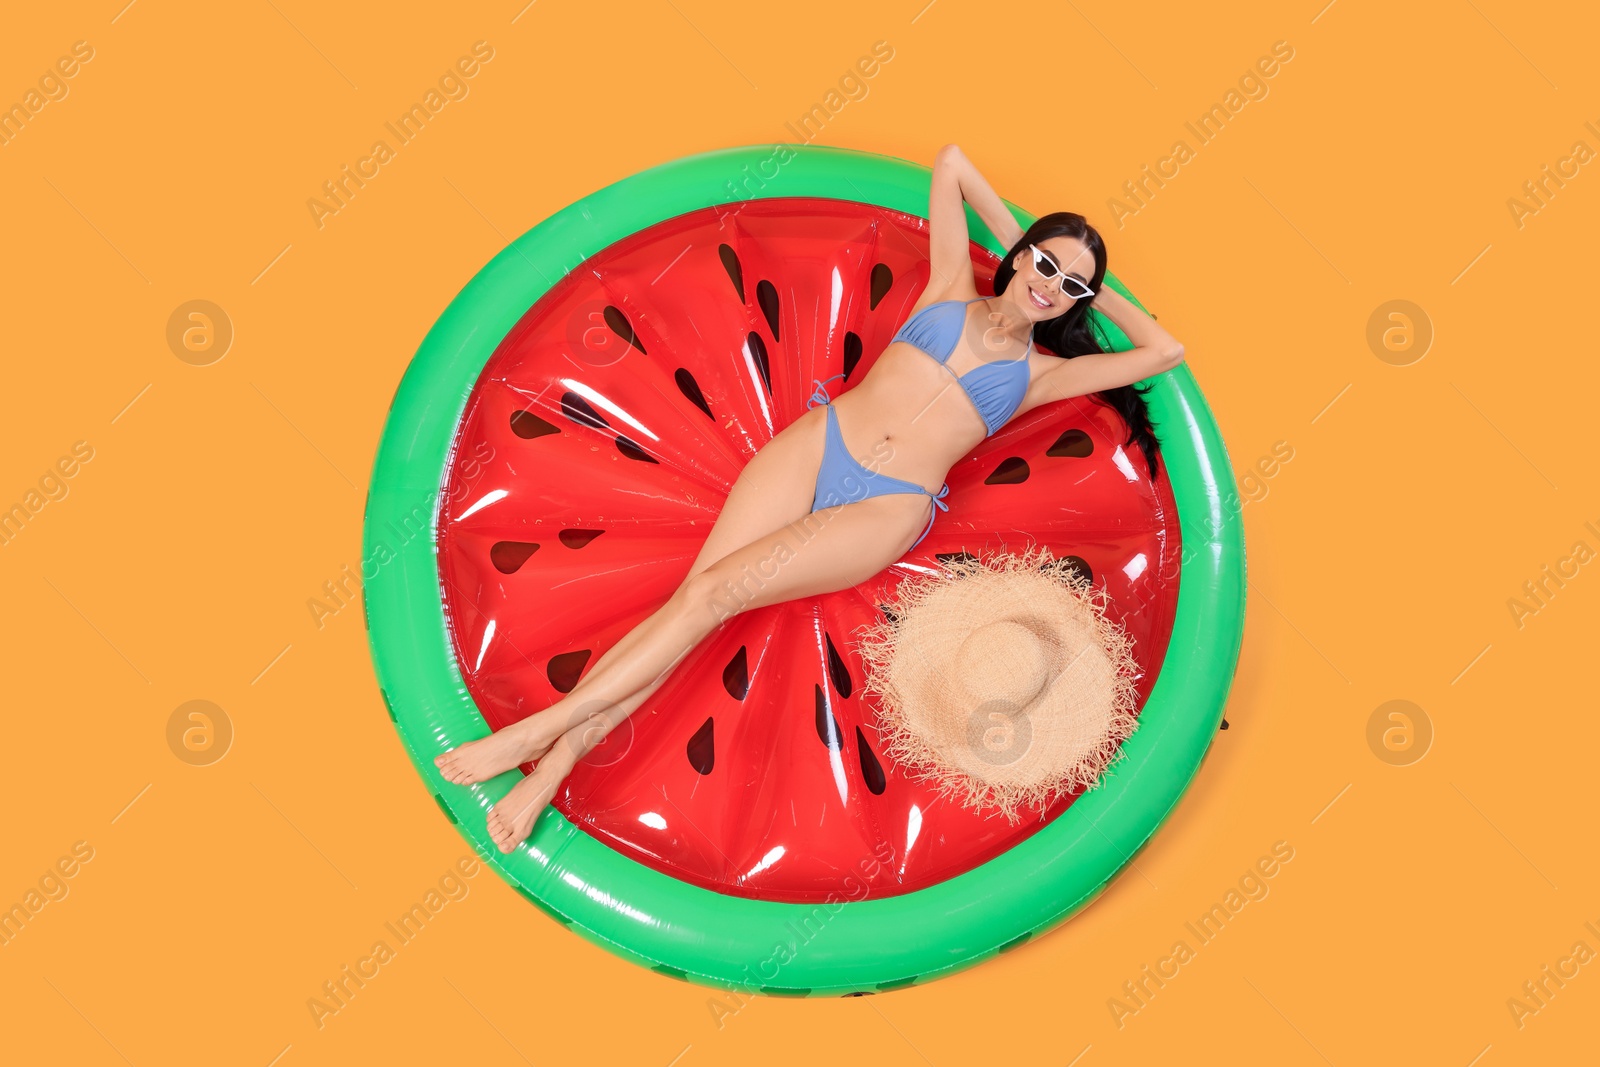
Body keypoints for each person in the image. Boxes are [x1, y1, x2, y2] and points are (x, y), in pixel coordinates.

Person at [435, 143, 1186, 853]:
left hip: (885, 506)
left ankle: (543, 737)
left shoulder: (1044, 373)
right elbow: (952, 162)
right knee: (694, 600)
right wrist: (1032, 247)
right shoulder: (950, 284)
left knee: (718, 594)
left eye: (1070, 285)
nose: (1050, 285)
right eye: (1045, 264)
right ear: (1022, 252)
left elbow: (1163, 350)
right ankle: (558, 761)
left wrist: (1087, 295)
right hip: (819, 444)